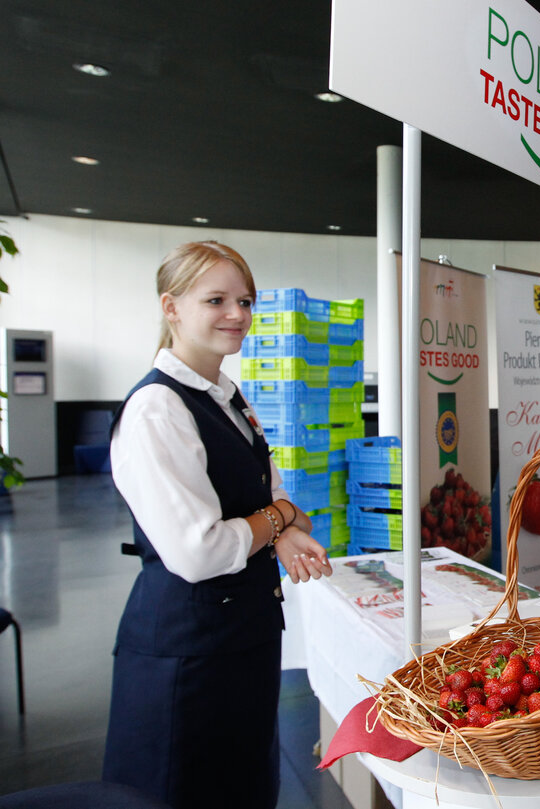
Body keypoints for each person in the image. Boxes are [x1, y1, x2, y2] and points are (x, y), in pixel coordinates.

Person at [102, 241, 333, 809]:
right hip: (188, 655)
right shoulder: (158, 408)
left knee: (244, 786)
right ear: (171, 306)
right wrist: (282, 518)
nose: (238, 315)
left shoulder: (228, 396)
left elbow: (264, 485)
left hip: (241, 639)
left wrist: (282, 531)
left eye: (246, 301)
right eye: (217, 300)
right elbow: (200, 552)